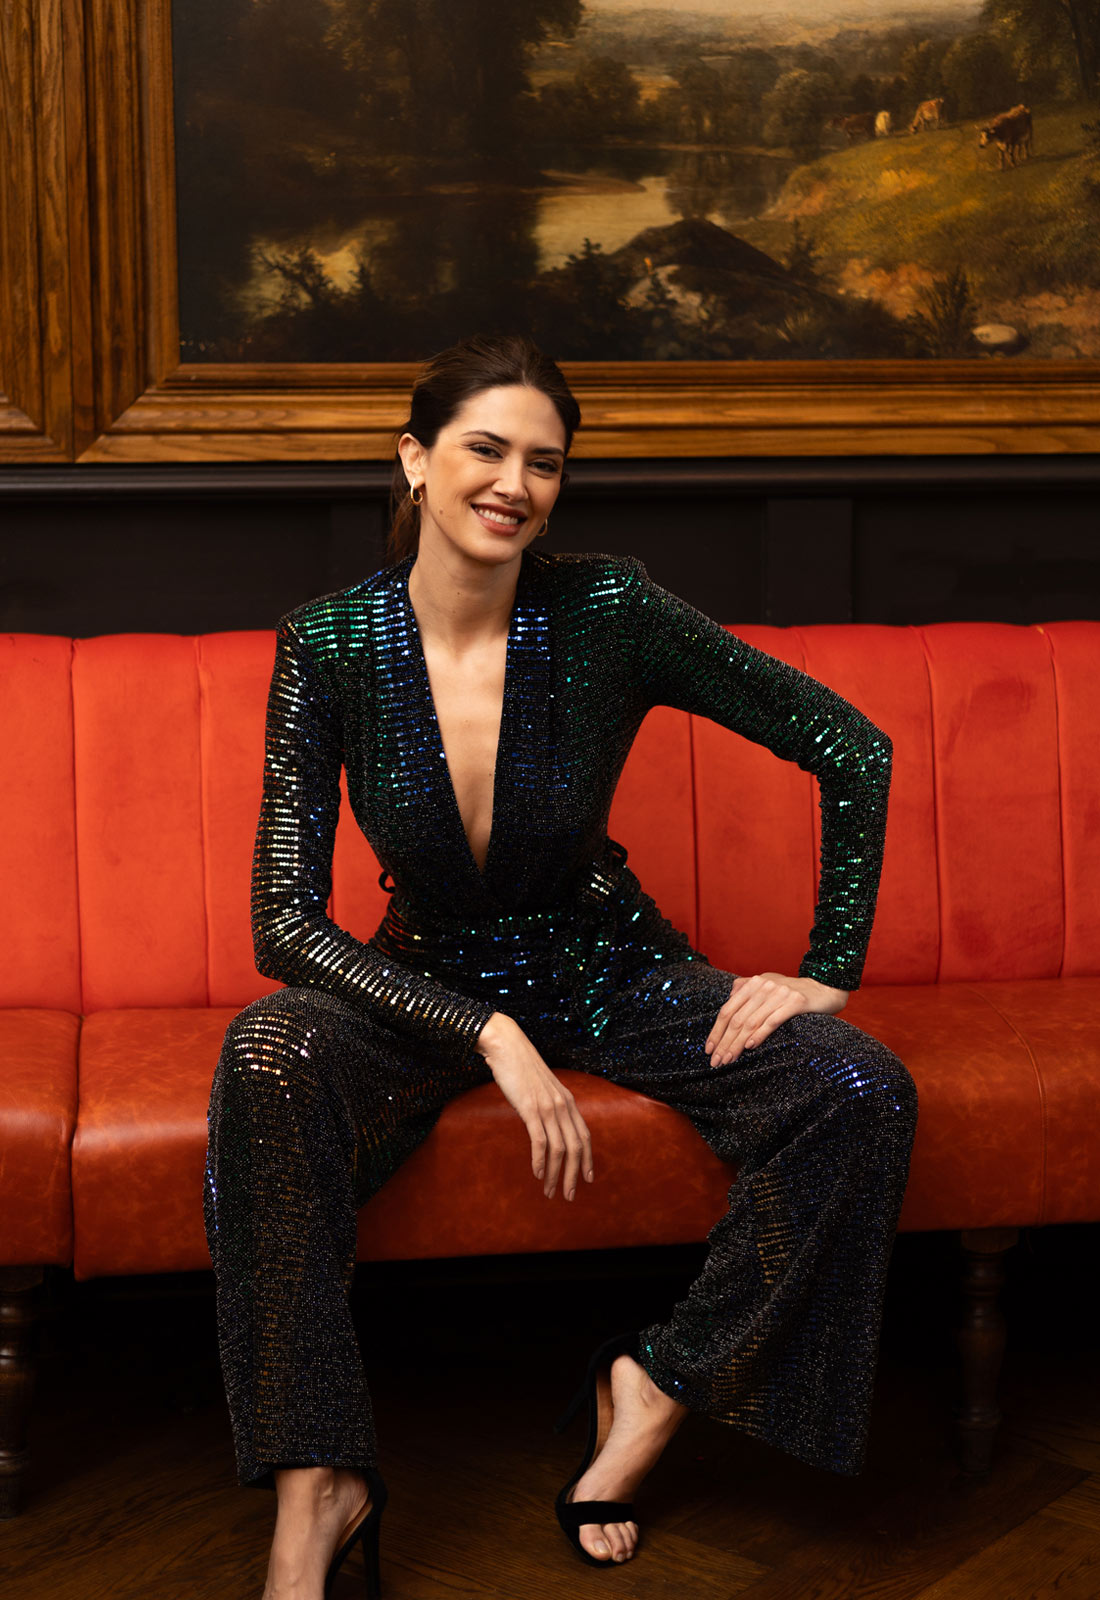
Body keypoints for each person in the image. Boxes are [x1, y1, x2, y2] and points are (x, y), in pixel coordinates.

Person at [203, 332, 919, 1600]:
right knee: (265, 1049)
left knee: (855, 1087)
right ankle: (318, 1488)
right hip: (425, 985)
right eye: (484, 448)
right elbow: (283, 924)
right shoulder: (327, 642)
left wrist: (826, 968)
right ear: (414, 458)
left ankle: (651, 1386)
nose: (512, 483)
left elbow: (848, 746)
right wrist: (484, 1030)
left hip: (605, 962)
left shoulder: (607, 610)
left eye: (544, 462)